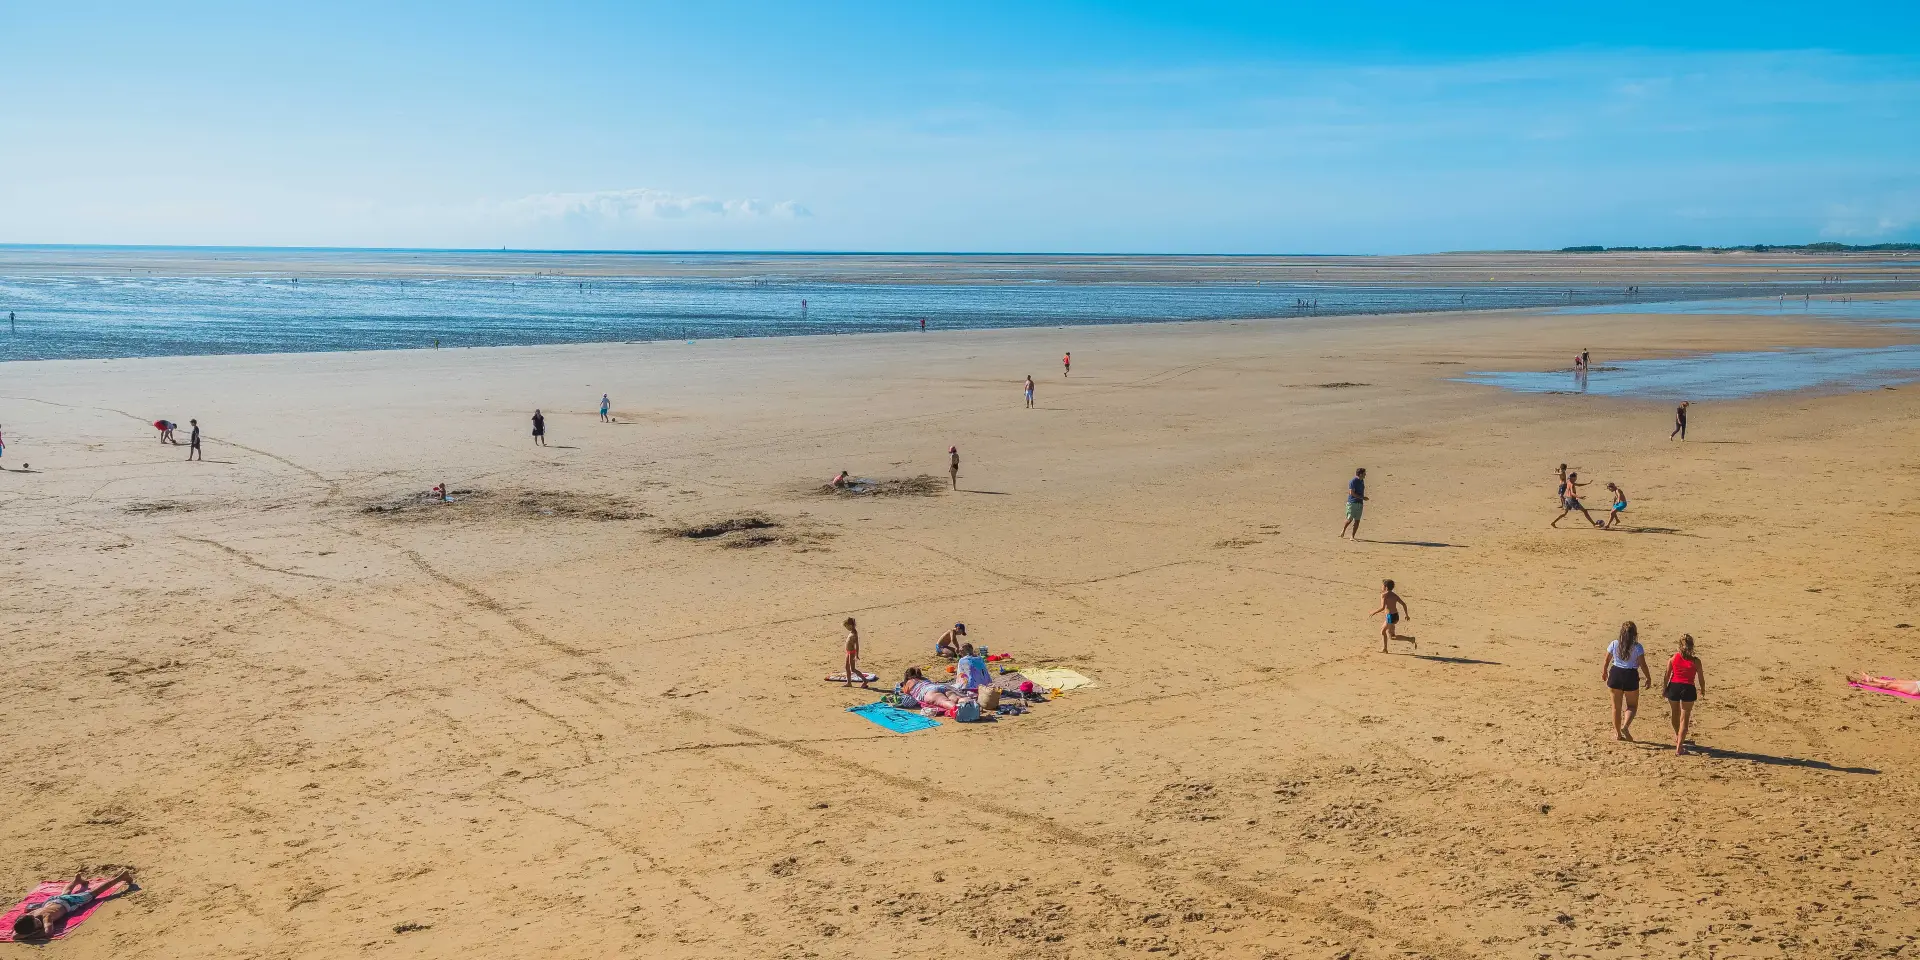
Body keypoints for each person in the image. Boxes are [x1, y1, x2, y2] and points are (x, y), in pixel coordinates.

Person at [11, 869, 136, 940]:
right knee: (64, 893)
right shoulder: (32, 914)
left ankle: (120, 877)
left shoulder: (46, 917)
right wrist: (26, 932)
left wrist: (29, 936)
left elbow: (49, 932)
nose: (38, 923)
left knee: (94, 893)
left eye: (36, 923)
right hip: (52, 901)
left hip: (68, 903)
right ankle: (76, 880)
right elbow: (14, 935)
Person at [1601, 622, 1650, 741]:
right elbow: (1643, 664)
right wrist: (1648, 677)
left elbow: (1607, 660)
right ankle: (1625, 726)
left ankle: (1618, 734)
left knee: (1616, 707)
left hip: (1616, 674)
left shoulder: (1614, 643)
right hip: (1630, 675)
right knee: (1632, 706)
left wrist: (1604, 671)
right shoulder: (1637, 647)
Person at [1664, 634, 1705, 755]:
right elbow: (1701, 678)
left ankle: (1677, 735)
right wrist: (1702, 689)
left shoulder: (1673, 658)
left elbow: (1667, 675)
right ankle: (1679, 747)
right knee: (1684, 719)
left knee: (1675, 713)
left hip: (1674, 687)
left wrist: (1664, 689)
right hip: (1688, 688)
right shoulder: (1696, 661)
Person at [1372, 579, 1412, 652]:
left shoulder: (1384, 595)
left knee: (1391, 636)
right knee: (1384, 631)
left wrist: (1374, 612)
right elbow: (1404, 604)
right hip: (1395, 616)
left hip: (1390, 617)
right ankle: (1385, 649)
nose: (1382, 587)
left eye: (1383, 585)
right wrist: (1407, 615)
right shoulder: (1394, 595)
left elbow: (1382, 607)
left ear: (1386, 587)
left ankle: (1410, 639)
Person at [1340, 468, 1367, 540]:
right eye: (1364, 473)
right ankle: (1343, 530)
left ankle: (1352, 536)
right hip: (1352, 503)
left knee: (1357, 520)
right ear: (1360, 474)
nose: (1365, 475)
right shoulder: (1353, 481)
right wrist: (1362, 497)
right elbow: (1351, 493)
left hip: (1360, 503)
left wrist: (1362, 498)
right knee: (1349, 519)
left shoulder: (1362, 481)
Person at [841, 617, 866, 688]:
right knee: (847, 667)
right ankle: (849, 683)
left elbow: (857, 645)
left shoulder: (854, 634)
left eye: (847, 627)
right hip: (848, 652)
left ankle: (865, 680)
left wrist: (856, 655)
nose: (846, 628)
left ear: (851, 625)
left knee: (853, 669)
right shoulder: (851, 632)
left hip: (852, 653)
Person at [1847, 672, 1920, 696]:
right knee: (1897, 681)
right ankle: (1871, 679)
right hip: (1918, 683)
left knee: (1887, 685)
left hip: (1916, 689)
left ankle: (1860, 682)